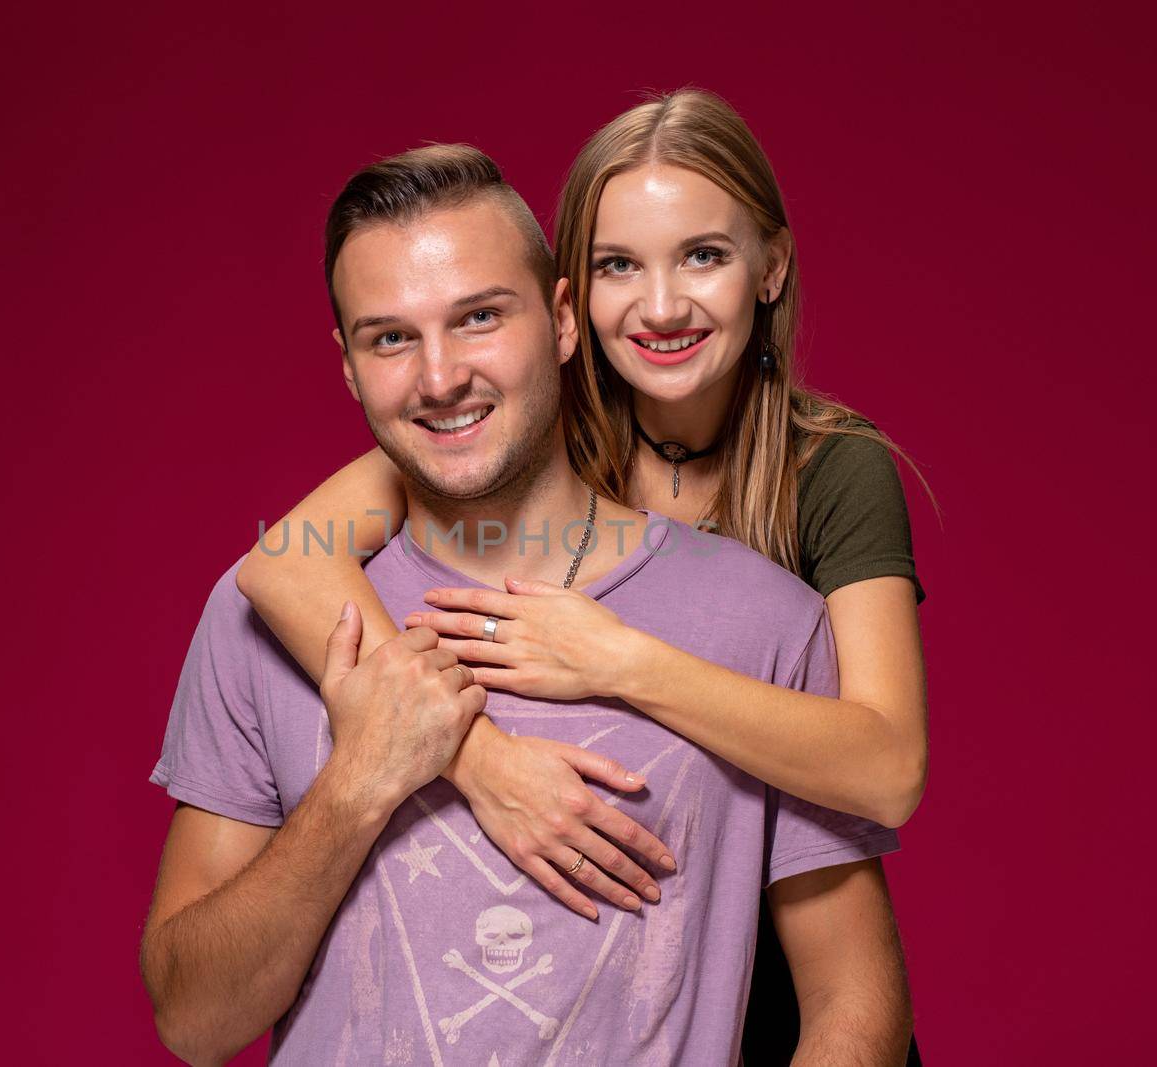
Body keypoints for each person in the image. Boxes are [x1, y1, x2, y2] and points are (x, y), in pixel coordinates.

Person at [141, 144, 913, 1064]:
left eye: (478, 318)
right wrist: (365, 779)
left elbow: (853, 1006)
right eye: (390, 337)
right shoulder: (264, 616)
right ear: (347, 364)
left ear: (559, 320)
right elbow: (192, 1024)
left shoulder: (768, 620)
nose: (438, 378)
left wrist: (623, 657)